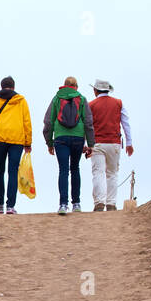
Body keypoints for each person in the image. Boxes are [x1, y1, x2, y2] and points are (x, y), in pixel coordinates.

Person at [42, 77, 95, 215]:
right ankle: (76, 203)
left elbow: (48, 122)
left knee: (63, 170)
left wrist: (49, 142)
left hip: (60, 138)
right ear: (76, 87)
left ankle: (63, 205)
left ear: (64, 86)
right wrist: (90, 144)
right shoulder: (82, 99)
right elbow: (88, 122)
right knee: (75, 169)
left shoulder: (56, 99)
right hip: (78, 138)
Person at [0, 77, 32, 214]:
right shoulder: (21, 100)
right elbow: (27, 123)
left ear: (1, 86)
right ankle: (10, 206)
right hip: (17, 140)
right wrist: (28, 143)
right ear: (14, 87)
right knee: (13, 172)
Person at [88, 79, 134, 211]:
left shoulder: (91, 105)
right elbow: (125, 123)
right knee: (112, 173)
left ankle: (99, 202)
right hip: (114, 143)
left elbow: (88, 125)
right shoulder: (118, 103)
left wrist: (86, 144)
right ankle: (111, 203)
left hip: (97, 143)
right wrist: (129, 143)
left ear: (95, 90)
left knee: (98, 172)